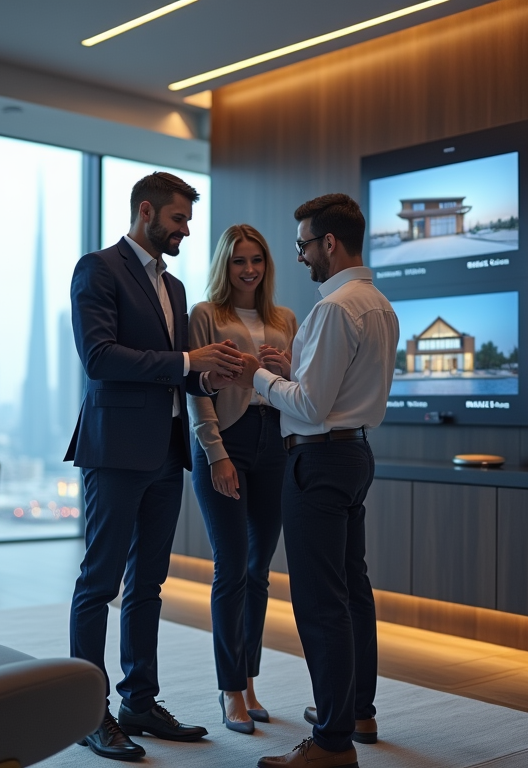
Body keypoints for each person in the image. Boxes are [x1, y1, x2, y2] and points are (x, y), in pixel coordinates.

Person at [66, 171, 244, 761]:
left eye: (188, 221)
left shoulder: (175, 286)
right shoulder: (97, 269)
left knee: (148, 585)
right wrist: (186, 358)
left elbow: (176, 368)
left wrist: (209, 370)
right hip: (115, 450)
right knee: (99, 584)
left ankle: (139, 702)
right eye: (178, 220)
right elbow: (99, 357)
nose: (186, 231)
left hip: (168, 451)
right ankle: (88, 714)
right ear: (146, 212)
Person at [236, 194, 399, 768]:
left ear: (329, 243)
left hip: (318, 461)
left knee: (320, 602)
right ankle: (355, 711)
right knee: (352, 591)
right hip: (354, 456)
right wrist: (291, 371)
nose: (301, 256)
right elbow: (334, 390)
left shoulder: (334, 309)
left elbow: (308, 407)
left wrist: (256, 376)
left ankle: (332, 744)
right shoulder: (378, 304)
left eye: (305, 244)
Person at [188, 224, 298, 734]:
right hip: (225, 439)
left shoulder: (284, 319)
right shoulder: (206, 315)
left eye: (256, 260)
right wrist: (216, 455)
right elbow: (196, 391)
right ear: (224, 266)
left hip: (273, 439)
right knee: (230, 568)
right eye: (238, 261)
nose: (249, 269)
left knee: (258, 571)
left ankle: (249, 681)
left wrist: (285, 370)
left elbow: (298, 390)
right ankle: (229, 689)